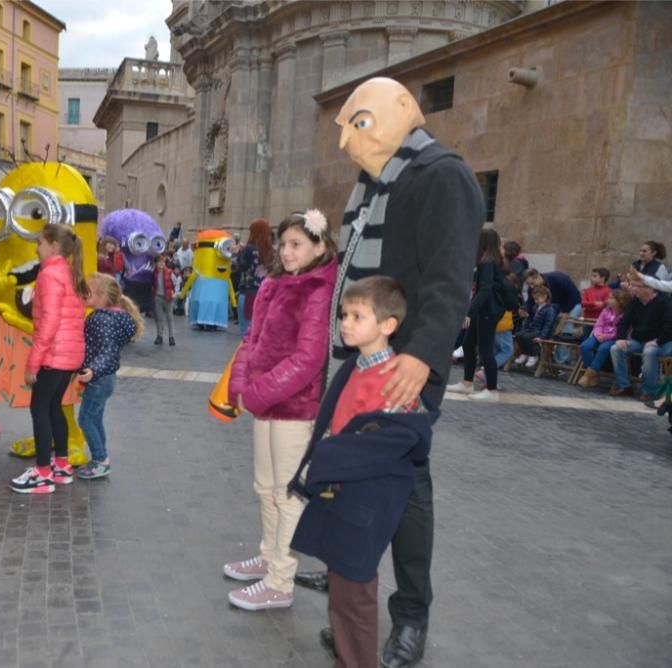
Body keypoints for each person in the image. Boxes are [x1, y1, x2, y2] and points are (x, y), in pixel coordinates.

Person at [319, 77, 484, 667]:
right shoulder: (374, 183)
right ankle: (350, 599)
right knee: (349, 477)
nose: (344, 140)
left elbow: (447, 278)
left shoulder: (442, 174)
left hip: (404, 364)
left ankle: (411, 614)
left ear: (401, 115)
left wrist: (420, 356)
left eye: (356, 123)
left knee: (408, 492)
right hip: (358, 361)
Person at [292, 275, 429, 668]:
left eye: (357, 316)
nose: (345, 323)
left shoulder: (394, 378)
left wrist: (331, 453)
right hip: (344, 492)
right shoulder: (355, 366)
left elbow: (392, 443)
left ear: (388, 325)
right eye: (343, 315)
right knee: (342, 587)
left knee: (354, 593)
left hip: (365, 499)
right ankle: (346, 654)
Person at [224, 210, 337, 611]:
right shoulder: (275, 283)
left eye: (297, 245)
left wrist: (257, 394)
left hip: (293, 408)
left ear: (320, 247)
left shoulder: (318, 290)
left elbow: (308, 359)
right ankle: (269, 557)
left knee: (288, 494)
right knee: (265, 487)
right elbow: (251, 339)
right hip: (266, 403)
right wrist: (241, 384)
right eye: (284, 243)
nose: (287, 252)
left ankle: (280, 581)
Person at [10, 226, 87, 494]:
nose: (36, 248)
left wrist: (33, 363)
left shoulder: (50, 274)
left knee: (40, 408)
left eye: (40, 243)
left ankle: (43, 473)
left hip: (54, 354)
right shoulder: (70, 272)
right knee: (54, 406)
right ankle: (61, 465)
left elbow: (49, 322)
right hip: (69, 355)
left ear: (54, 245)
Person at [76, 273, 144, 480]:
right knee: (95, 418)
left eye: (87, 291)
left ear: (101, 296)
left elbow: (107, 350)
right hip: (107, 378)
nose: (83, 294)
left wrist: (93, 370)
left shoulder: (100, 319)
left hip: (99, 378)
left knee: (86, 418)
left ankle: (101, 459)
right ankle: (100, 457)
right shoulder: (116, 317)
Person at [446, 228, 507, 401]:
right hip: (482, 309)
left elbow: (485, 290)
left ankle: (492, 391)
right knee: (468, 343)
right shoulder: (489, 260)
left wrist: (469, 312)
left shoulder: (488, 262)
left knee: (486, 350)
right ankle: (467, 383)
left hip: (488, 310)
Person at [608, 284, 672, 401]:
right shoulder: (635, 301)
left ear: (650, 288)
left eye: (637, 287)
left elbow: (670, 324)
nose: (633, 289)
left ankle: (649, 391)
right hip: (639, 339)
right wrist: (620, 338)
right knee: (616, 349)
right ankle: (625, 386)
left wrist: (658, 341)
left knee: (650, 352)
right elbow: (624, 321)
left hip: (663, 341)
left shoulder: (665, 301)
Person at [578, 289, 633, 387]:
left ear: (620, 300)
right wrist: (598, 334)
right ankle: (594, 375)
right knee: (585, 346)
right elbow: (599, 324)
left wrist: (606, 337)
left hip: (614, 338)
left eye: (611, 298)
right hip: (599, 335)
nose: (608, 300)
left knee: (603, 348)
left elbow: (622, 331)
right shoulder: (606, 310)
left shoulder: (625, 314)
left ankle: (589, 374)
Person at [236, 219, 273, 337]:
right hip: (266, 293)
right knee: (260, 331)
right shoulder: (272, 251)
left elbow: (239, 267)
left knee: (246, 330)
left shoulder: (249, 249)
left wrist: (238, 252)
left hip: (248, 292)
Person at [513, 286, 560, 368]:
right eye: (534, 299)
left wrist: (542, 336)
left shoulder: (550, 309)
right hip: (532, 330)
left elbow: (548, 324)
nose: (536, 301)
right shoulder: (534, 307)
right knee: (518, 335)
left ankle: (533, 355)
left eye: (537, 299)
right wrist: (524, 329)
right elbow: (529, 320)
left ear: (545, 297)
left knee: (527, 337)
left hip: (541, 332)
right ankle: (525, 353)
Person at [152, 254, 176, 346]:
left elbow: (176, 283)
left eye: (163, 262)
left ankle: (171, 337)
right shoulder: (154, 273)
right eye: (159, 262)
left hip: (168, 297)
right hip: (158, 297)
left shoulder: (169, 272)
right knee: (159, 318)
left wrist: (175, 293)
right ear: (156, 263)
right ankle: (159, 336)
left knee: (170, 317)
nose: (161, 264)